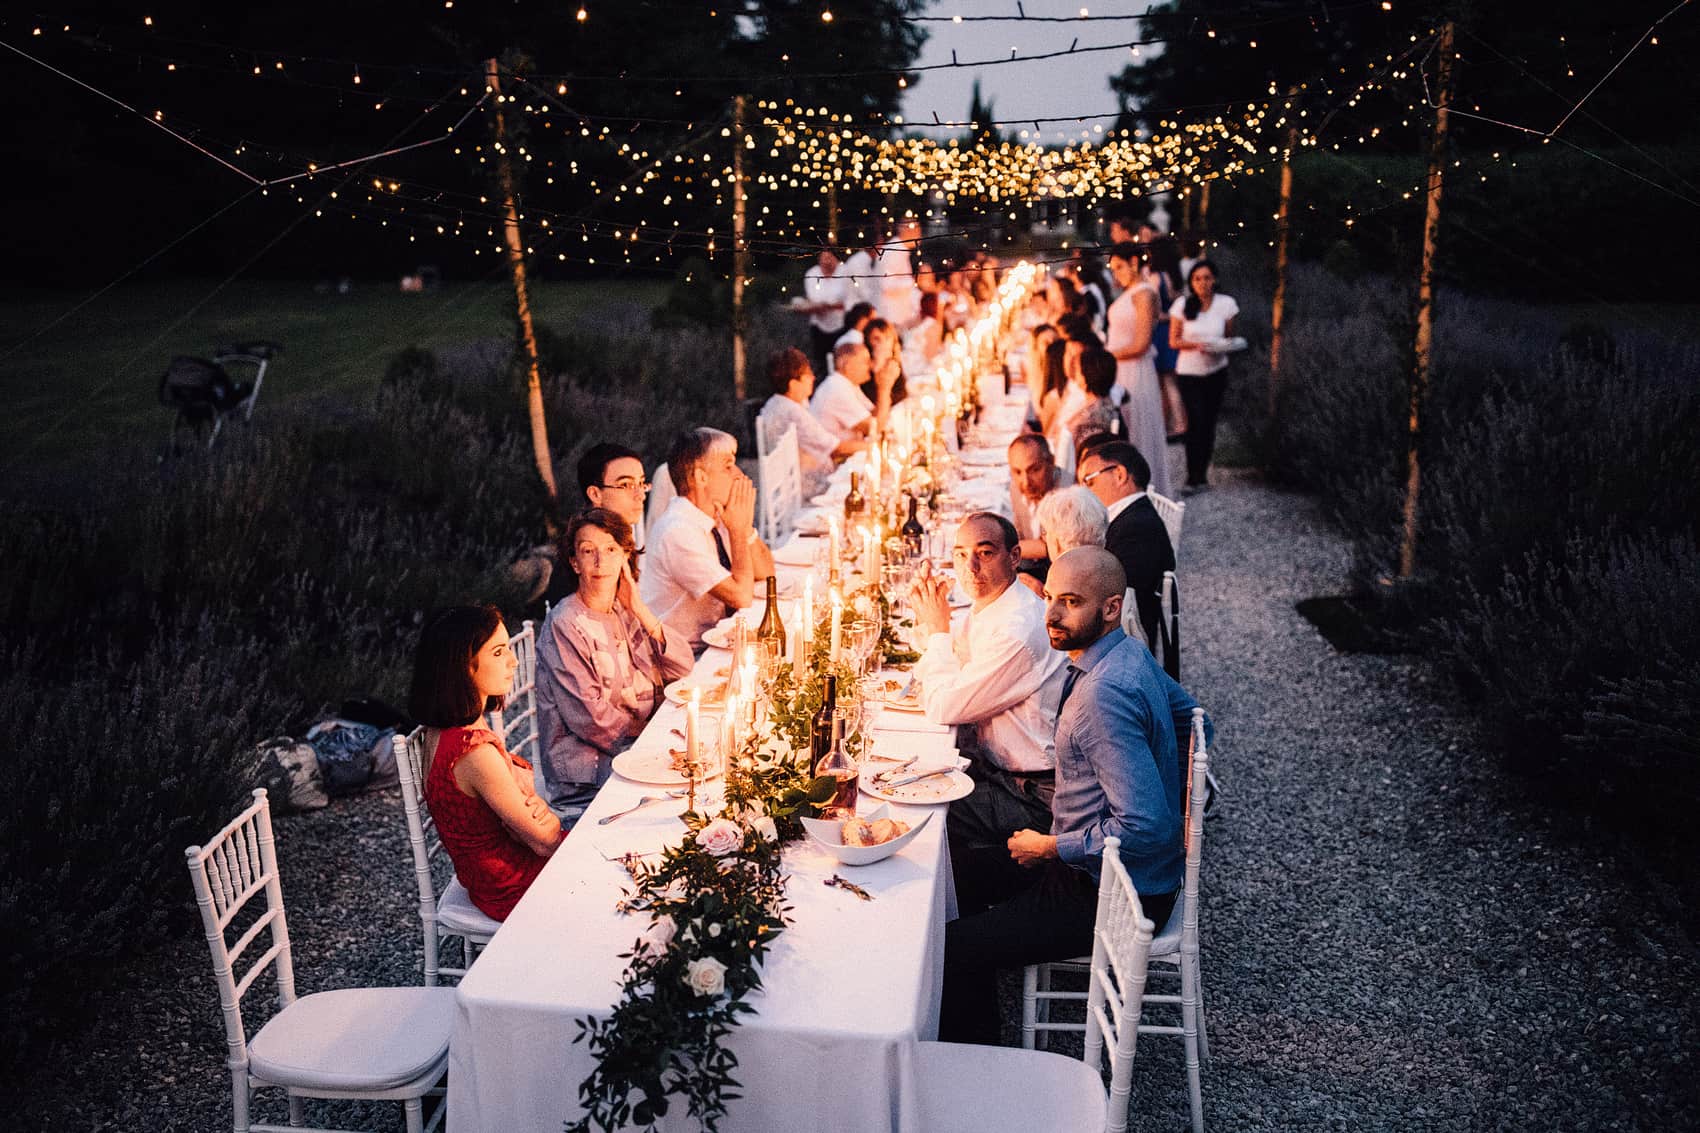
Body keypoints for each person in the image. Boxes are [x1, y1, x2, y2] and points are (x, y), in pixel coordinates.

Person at [939, 546, 1208, 1045]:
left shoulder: (1102, 695)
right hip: (1102, 867)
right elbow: (1198, 721)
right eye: (1050, 600)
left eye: (1072, 602)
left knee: (946, 951)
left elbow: (1145, 827)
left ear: (1110, 607)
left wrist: (1049, 847)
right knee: (952, 877)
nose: (1054, 616)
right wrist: (1181, 795)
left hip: (1110, 893)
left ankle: (978, 1072)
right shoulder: (1129, 652)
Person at [910, 512, 1069, 900]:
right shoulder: (996, 604)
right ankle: (959, 901)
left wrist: (936, 630)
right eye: (961, 555)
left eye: (985, 553)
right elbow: (955, 660)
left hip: (1033, 796)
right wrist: (934, 625)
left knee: (921, 817)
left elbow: (943, 704)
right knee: (916, 784)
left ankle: (949, 928)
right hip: (1000, 771)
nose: (971, 567)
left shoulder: (1016, 630)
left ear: (1015, 557)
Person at [535, 510, 695, 825]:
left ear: (624, 556)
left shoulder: (623, 607)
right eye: (587, 551)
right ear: (574, 562)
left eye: (610, 549)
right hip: (591, 780)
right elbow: (592, 719)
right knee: (681, 817)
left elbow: (683, 667)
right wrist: (655, 741)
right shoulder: (565, 623)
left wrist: (639, 609)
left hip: (634, 755)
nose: (600, 561)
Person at [412, 605, 563, 921]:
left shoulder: (442, 729)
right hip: (513, 888)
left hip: (488, 879)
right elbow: (545, 843)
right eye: (498, 652)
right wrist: (542, 813)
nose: (513, 660)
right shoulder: (473, 752)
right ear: (465, 667)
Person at [639, 427, 774, 651]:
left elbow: (767, 575)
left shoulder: (717, 515)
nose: (739, 475)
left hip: (715, 641)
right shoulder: (677, 532)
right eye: (728, 466)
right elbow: (741, 597)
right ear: (701, 477)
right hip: (682, 659)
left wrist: (746, 529)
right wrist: (738, 532)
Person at [1077, 441, 1174, 651]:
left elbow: (1112, 594)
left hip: (1124, 639)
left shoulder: (1136, 529)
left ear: (1120, 475)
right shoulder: (1133, 515)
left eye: (1088, 481)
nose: (1083, 491)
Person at [1105, 242, 1173, 498]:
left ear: (1135, 262)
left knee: (1138, 433)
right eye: (1113, 269)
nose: (1116, 274)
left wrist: (1106, 354)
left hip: (1135, 371)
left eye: (1120, 267)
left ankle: (1146, 496)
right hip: (1121, 370)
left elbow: (1142, 343)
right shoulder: (1131, 291)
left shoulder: (1144, 293)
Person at [1168, 259, 1239, 491]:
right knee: (1195, 420)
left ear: (1214, 279)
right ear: (1192, 281)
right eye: (1197, 278)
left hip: (1216, 370)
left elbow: (1229, 338)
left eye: (1207, 278)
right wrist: (1195, 345)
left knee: (1209, 422)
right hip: (1189, 371)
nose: (1202, 283)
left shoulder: (1226, 304)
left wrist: (1218, 346)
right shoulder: (1182, 305)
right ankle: (1191, 475)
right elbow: (1173, 340)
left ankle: (1202, 474)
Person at [757, 348, 863, 495]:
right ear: (793, 384)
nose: (813, 378)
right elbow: (835, 448)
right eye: (808, 375)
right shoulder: (792, 412)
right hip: (810, 488)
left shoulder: (775, 404)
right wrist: (871, 447)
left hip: (796, 482)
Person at [1007, 434, 1072, 565]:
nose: (1026, 482)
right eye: (1017, 472)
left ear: (1051, 462)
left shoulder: (1069, 495)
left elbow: (1063, 549)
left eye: (1034, 470)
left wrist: (1003, 548)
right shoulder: (1015, 487)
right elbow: (1019, 535)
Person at [813, 340, 891, 443]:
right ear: (847, 366)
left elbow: (874, 415)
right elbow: (874, 428)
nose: (871, 366)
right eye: (865, 361)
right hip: (836, 456)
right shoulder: (837, 388)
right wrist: (884, 388)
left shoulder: (848, 384)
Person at [576, 443, 650, 535]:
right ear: (595, 494)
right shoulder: (594, 546)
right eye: (626, 485)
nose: (641, 496)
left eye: (641, 483)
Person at [1064, 347, 1123, 444]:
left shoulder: (1092, 417)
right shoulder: (1103, 402)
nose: (1073, 372)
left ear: (1086, 374)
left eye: (1077, 369)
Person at [1035, 485, 1108, 562]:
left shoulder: (1060, 572)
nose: (1044, 539)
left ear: (1056, 543)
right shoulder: (1114, 569)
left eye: (1045, 532)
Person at [801, 249, 848, 368]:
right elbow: (811, 300)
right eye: (824, 258)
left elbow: (850, 300)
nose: (826, 262)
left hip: (842, 325)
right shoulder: (812, 274)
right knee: (822, 363)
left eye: (829, 258)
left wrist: (830, 306)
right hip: (819, 326)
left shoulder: (845, 272)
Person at [862, 317, 908, 409]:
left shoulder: (893, 362)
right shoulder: (863, 366)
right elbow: (871, 403)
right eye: (876, 339)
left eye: (887, 338)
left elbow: (902, 394)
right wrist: (877, 367)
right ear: (868, 341)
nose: (883, 343)